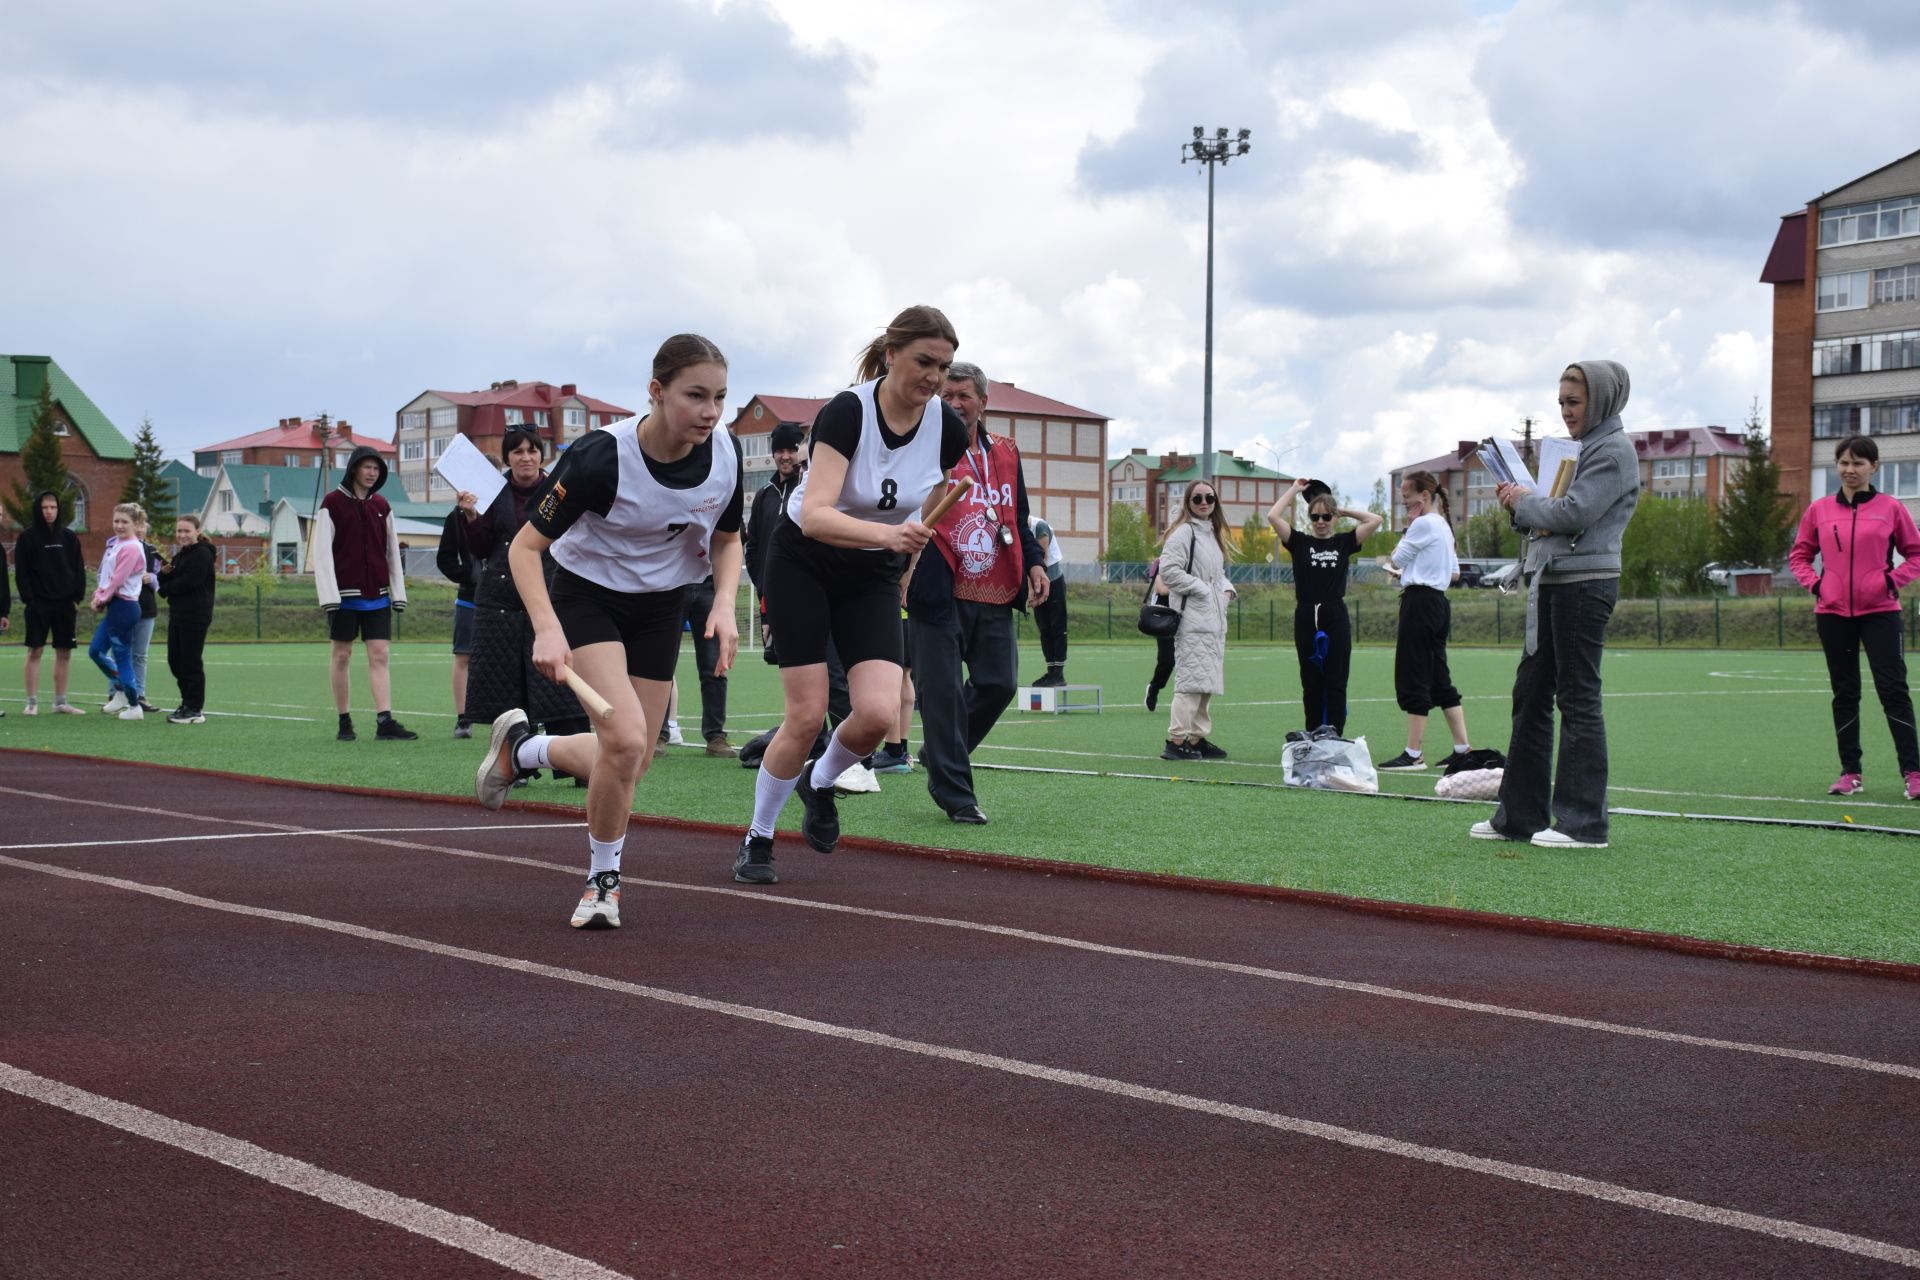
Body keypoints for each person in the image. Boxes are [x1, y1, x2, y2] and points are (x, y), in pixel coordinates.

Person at [472, 334, 743, 929]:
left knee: (632, 757)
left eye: (720, 397)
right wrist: (546, 628)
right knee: (622, 742)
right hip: (588, 595)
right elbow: (524, 548)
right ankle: (602, 882)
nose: (710, 412)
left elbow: (726, 537)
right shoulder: (600, 458)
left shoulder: (725, 453)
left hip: (662, 605)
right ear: (656, 392)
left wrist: (723, 601)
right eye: (695, 396)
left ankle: (523, 751)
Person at [733, 305, 970, 885]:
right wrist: (891, 536)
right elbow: (814, 516)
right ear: (890, 355)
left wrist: (905, 564)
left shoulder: (948, 428)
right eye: (923, 361)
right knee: (808, 713)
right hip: (803, 562)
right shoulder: (847, 411)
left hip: (872, 573)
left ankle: (819, 782)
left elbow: (928, 510)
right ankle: (758, 838)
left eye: (943, 366)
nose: (934, 377)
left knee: (876, 715)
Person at [1474, 361, 1641, 849]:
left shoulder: (1613, 451)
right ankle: (1519, 817)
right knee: (1530, 694)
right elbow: (1549, 518)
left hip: (1584, 586)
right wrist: (1521, 504)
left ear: (1604, 400)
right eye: (1562, 402)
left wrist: (1523, 502)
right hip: (1553, 581)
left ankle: (1583, 824)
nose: (1566, 412)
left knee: (1577, 698)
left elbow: (1573, 513)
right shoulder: (1580, 448)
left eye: (1575, 402)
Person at [904, 360, 1048, 821]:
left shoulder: (1006, 451)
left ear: (983, 402)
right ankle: (957, 794)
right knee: (941, 694)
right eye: (946, 395)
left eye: (963, 395)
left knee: (999, 683)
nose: (954, 403)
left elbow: (1018, 515)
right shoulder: (917, 447)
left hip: (996, 585)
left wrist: (1037, 563)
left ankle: (942, 753)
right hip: (938, 584)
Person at [1789, 434, 1920, 800]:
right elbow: (1799, 555)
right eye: (1844, 463)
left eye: (1858, 463)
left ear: (1873, 467)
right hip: (1832, 614)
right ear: (1837, 466)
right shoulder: (1818, 510)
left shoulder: (1891, 509)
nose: (1850, 470)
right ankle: (1851, 773)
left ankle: (1913, 773)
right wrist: (1816, 586)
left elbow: (1916, 554)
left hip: (1881, 613)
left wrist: (1891, 581)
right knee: (1845, 693)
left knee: (1893, 692)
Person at [457, 426, 587, 772]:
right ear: (508, 457)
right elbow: (482, 547)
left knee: (562, 682)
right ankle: (515, 763)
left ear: (541, 455)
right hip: (500, 599)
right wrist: (470, 515)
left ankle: (575, 764)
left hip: (552, 591)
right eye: (517, 452)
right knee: (507, 686)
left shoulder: (560, 487)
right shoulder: (491, 491)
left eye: (532, 450)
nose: (525, 457)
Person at [737, 422, 855, 771]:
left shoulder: (814, 485)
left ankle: (845, 755)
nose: (785, 456)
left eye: (791, 449)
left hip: (822, 595)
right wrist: (767, 605)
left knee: (834, 676)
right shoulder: (764, 496)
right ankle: (812, 744)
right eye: (780, 450)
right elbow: (755, 550)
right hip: (779, 600)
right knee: (800, 681)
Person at [315, 445, 417, 742]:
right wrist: (329, 596)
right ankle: (344, 720)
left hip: (378, 595)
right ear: (354, 469)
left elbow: (392, 552)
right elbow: (322, 554)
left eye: (376, 468)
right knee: (342, 655)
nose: (372, 473)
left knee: (380, 654)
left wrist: (398, 592)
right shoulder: (331, 504)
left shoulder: (382, 506)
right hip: (343, 597)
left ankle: (384, 721)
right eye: (367, 467)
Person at [1269, 478, 1382, 736]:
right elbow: (1273, 515)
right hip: (1306, 614)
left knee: (1336, 677)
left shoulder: (1344, 542)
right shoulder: (1299, 542)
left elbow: (1375, 520)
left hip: (1335, 614)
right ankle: (1312, 730)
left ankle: (1333, 730)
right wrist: (1296, 490)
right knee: (1310, 679)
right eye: (1315, 516)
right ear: (1309, 517)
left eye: (1326, 516)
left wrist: (1343, 511)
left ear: (1334, 518)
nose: (1321, 522)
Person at [1378, 470, 1471, 772]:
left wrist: (1409, 530)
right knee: (1438, 675)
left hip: (1419, 603)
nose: (1404, 502)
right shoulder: (1443, 525)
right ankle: (1462, 748)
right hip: (1439, 603)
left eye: (1407, 497)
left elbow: (1396, 560)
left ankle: (1413, 753)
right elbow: (1454, 573)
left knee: (1413, 672)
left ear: (1424, 496)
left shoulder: (1422, 523)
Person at [1158, 480, 1235, 761]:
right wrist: (1202, 589)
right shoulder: (1183, 533)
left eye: (1209, 498)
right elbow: (1169, 571)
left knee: (1206, 682)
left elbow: (1217, 572)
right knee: (1191, 682)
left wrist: (1227, 591)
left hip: (1213, 620)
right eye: (1197, 498)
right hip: (1193, 619)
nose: (1204, 502)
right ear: (1188, 502)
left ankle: (1197, 738)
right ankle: (1176, 740)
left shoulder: (1212, 535)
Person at [15, 491, 87, 715]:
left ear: (58, 509)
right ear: (38, 509)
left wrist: (76, 598)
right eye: (45, 508)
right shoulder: (26, 538)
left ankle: (60, 702)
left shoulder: (69, 537)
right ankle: (32, 702)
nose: (49, 512)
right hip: (38, 605)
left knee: (64, 652)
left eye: (53, 508)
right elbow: (22, 573)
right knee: (35, 651)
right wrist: (30, 600)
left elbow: (78, 569)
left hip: (65, 604)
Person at [88, 503, 148, 720]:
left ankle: (134, 706)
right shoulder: (118, 544)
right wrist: (99, 595)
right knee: (95, 651)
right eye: (116, 521)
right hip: (115, 606)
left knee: (122, 657)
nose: (119, 526)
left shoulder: (131, 547)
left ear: (136, 524)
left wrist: (102, 599)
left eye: (125, 522)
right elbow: (106, 575)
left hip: (124, 607)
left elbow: (119, 579)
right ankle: (121, 690)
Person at [157, 513, 217, 724]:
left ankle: (194, 709)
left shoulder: (202, 554)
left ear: (197, 532)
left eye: (186, 531)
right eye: (179, 531)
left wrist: (164, 589)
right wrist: (163, 575)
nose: (182, 535)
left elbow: (190, 581)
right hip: (178, 614)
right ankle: (186, 703)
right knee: (175, 661)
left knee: (190, 661)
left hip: (195, 614)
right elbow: (170, 575)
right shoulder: (181, 555)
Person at [675, 576, 736, 755]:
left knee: (715, 666)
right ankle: (658, 734)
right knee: (662, 666)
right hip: (674, 583)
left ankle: (715, 736)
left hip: (711, 585)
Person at [436, 488, 479, 739]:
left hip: (507, 597)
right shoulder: (455, 517)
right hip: (469, 600)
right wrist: (468, 576)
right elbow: (445, 558)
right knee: (463, 656)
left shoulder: (506, 509)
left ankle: (516, 718)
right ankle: (463, 718)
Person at [126, 513, 164, 715]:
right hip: (123, 606)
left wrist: (153, 579)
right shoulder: (118, 548)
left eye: (143, 526)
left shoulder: (152, 552)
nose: (140, 529)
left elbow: (164, 575)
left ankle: (140, 695)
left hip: (146, 606)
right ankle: (116, 693)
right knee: (120, 651)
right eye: (137, 525)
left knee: (140, 655)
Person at [1027, 513, 1069, 685]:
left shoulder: (1040, 527)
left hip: (1053, 582)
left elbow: (1040, 561)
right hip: (1037, 583)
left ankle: (1058, 673)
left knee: (1057, 628)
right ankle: (1050, 671)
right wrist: (1030, 590)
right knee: (1044, 629)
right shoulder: (1016, 530)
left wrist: (1032, 589)